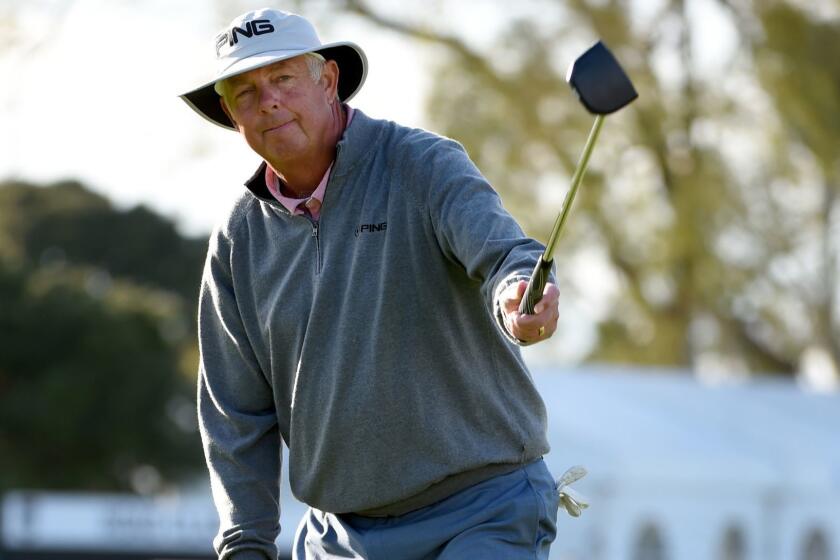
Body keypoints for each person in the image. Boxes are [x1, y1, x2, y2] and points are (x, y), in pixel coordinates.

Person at [180, 8, 563, 560]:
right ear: (230, 113)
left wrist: (519, 299)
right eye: (245, 92)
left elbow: (507, 256)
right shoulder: (238, 237)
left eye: (283, 79)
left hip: (484, 509)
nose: (268, 101)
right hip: (341, 537)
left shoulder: (421, 164)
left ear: (327, 80)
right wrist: (245, 545)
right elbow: (234, 413)